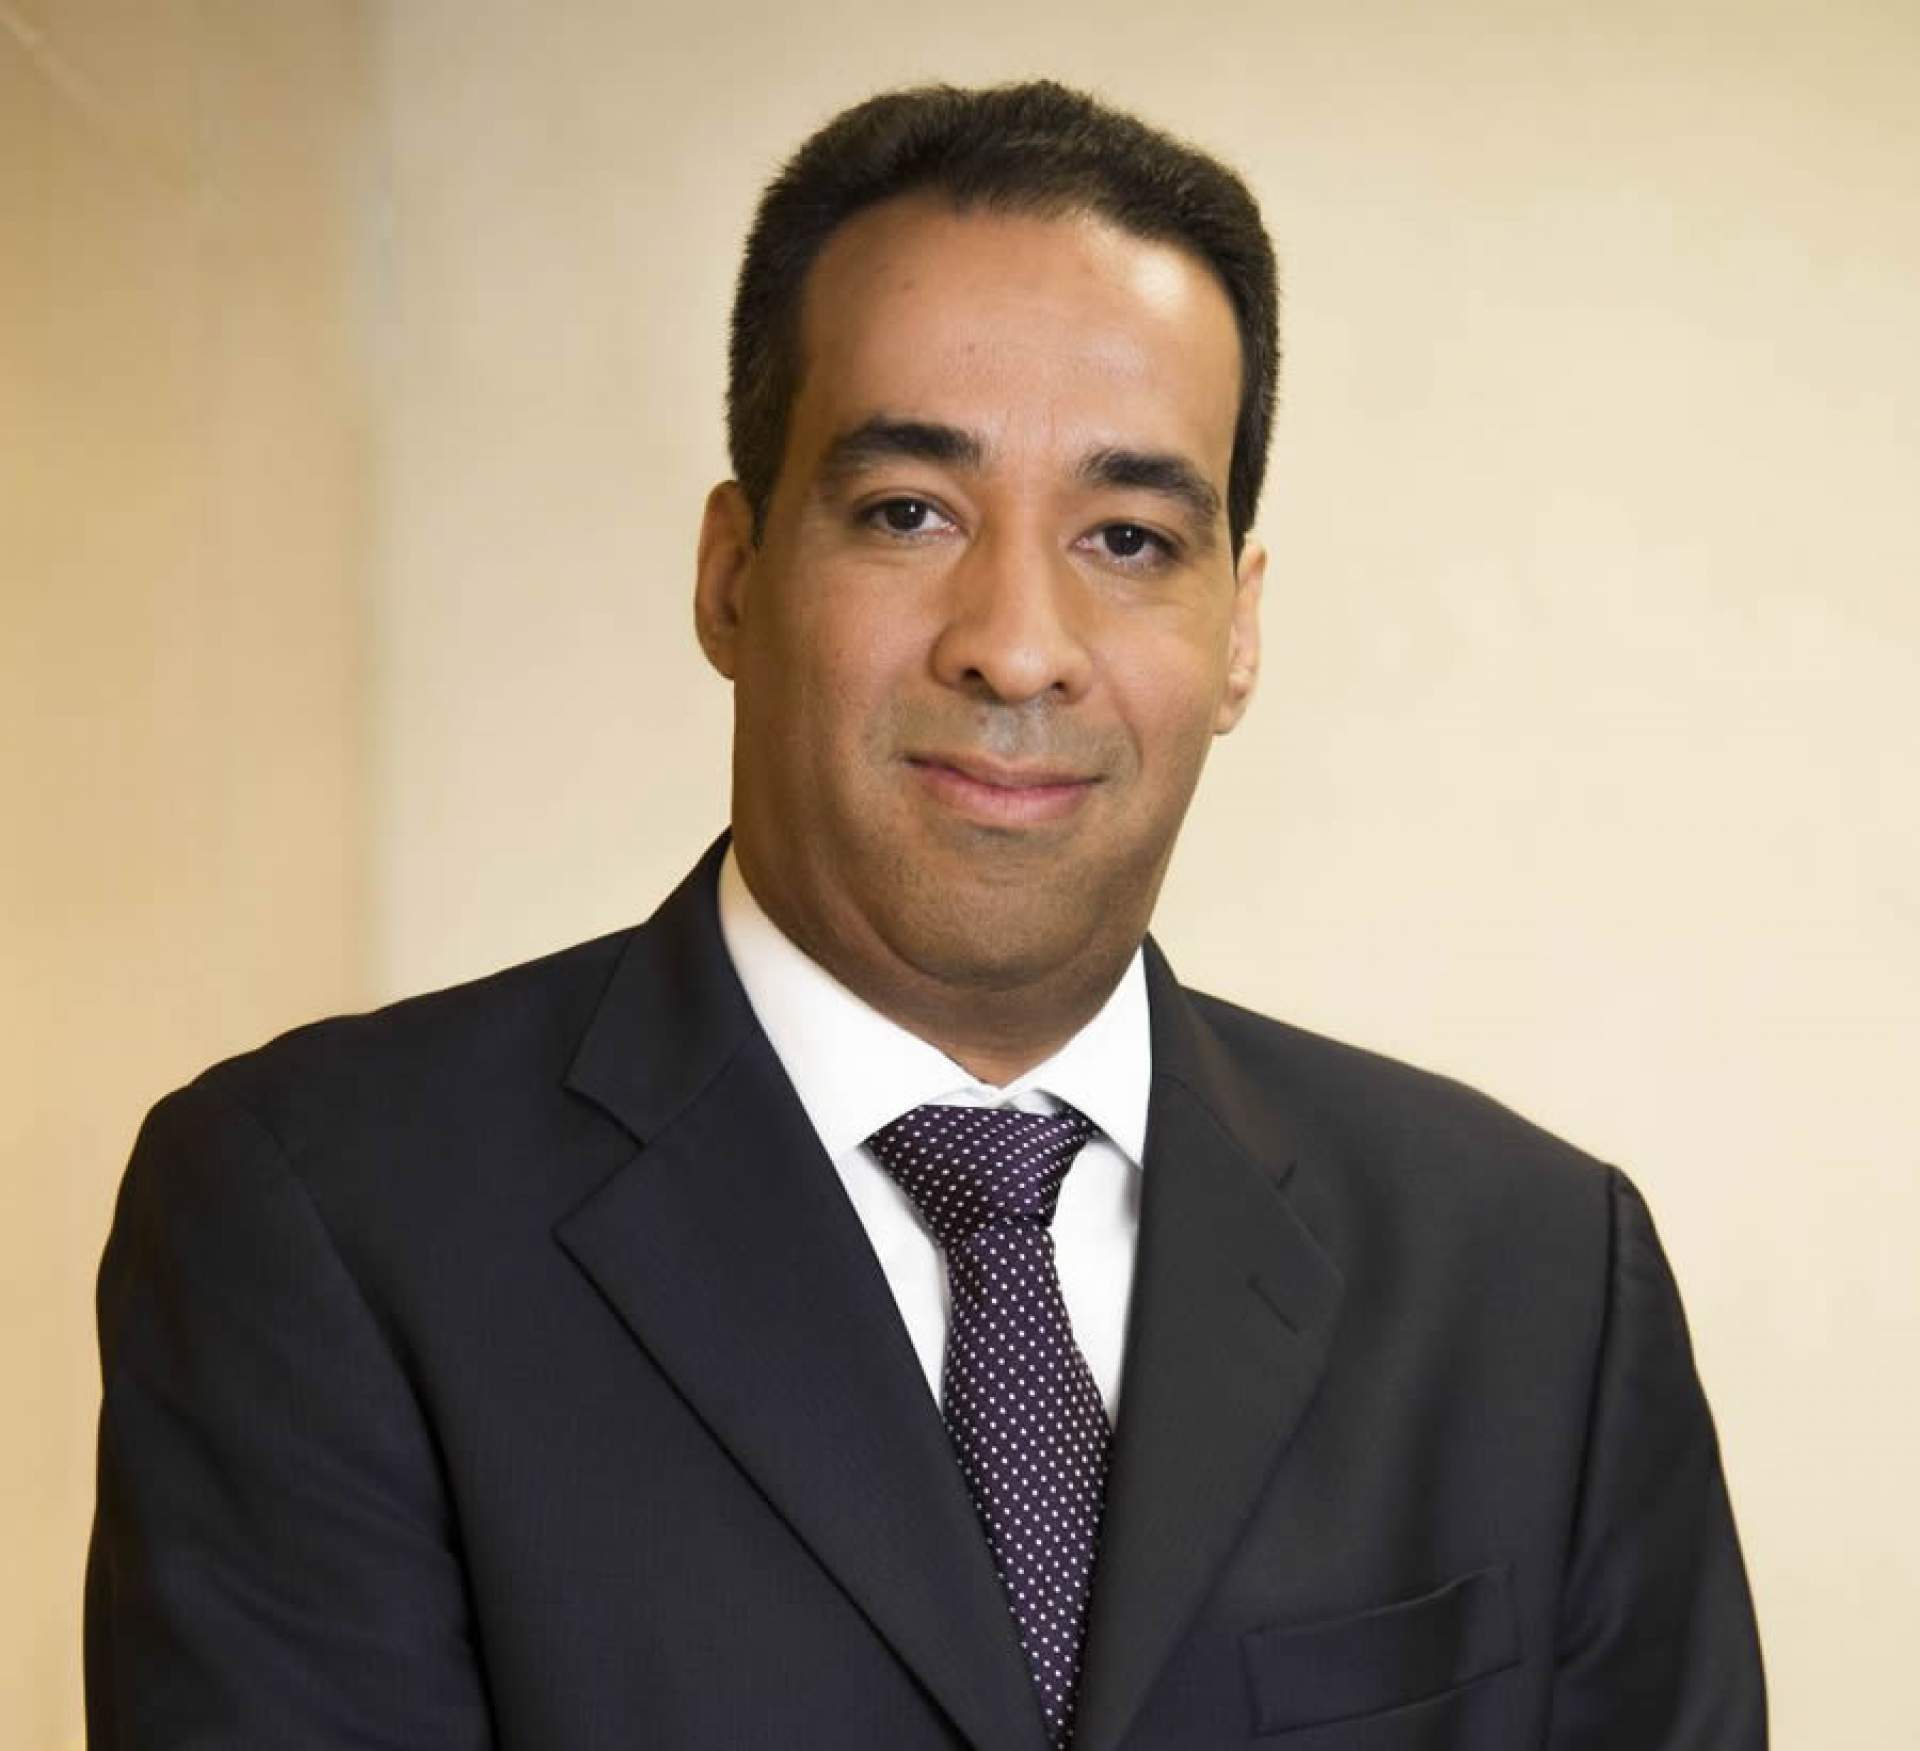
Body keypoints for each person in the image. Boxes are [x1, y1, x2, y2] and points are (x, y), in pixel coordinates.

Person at [85, 80, 1766, 1749]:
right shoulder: (322, 1221)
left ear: (1239, 632)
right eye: (908, 513)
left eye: (1130, 537)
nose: (1016, 646)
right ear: (733, 574)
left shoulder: (1543, 1283)